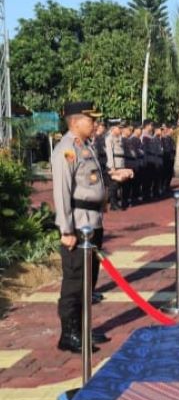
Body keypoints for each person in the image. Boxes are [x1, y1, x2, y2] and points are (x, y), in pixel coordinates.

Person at [50, 101, 111, 353]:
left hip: (92, 222)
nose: (94, 123)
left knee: (89, 280)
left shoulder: (85, 146)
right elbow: (62, 192)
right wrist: (66, 230)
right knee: (75, 282)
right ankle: (69, 334)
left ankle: (83, 328)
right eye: (90, 119)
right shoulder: (67, 150)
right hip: (77, 225)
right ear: (75, 122)